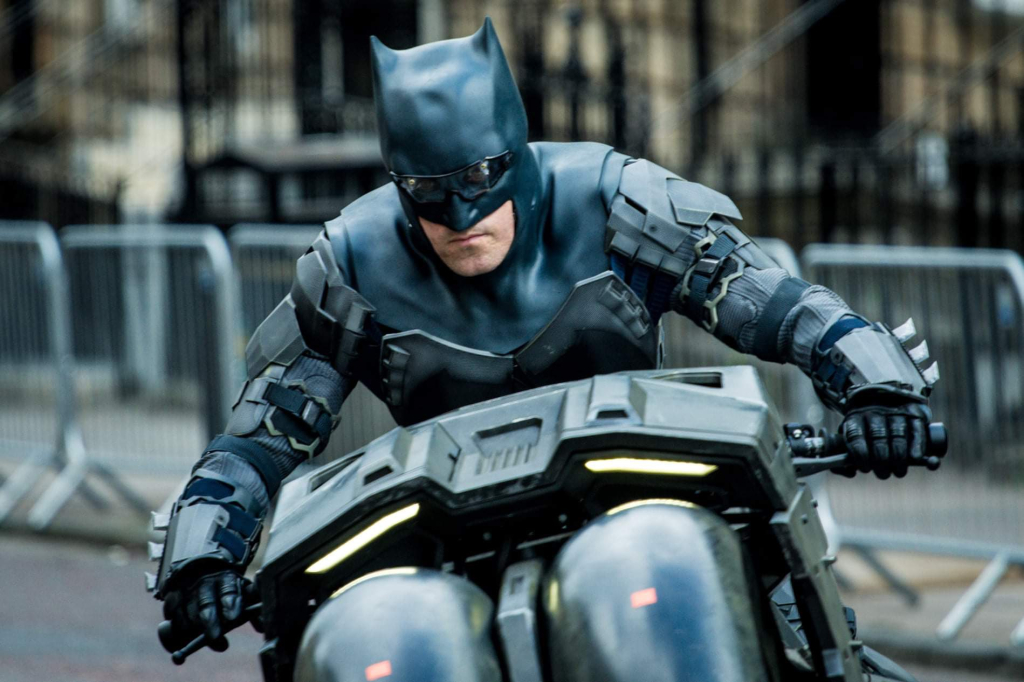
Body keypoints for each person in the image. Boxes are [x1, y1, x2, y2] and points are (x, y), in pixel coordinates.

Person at [150, 18, 937, 680]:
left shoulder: (618, 201)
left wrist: (875, 389)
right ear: (398, 182)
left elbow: (772, 301)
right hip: (449, 550)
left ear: (516, 152)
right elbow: (259, 435)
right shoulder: (349, 266)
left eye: (481, 175)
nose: (462, 214)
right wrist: (204, 556)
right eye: (429, 191)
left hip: (651, 508)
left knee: (787, 637)